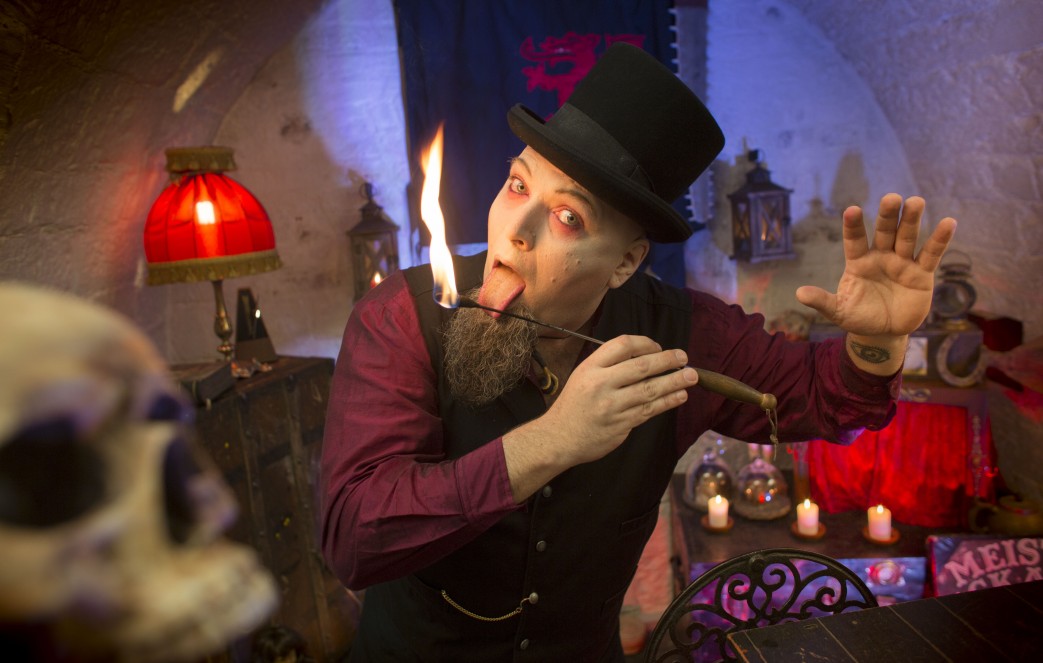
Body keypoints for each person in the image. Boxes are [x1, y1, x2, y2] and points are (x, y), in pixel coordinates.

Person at [320, 43, 955, 661]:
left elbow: (829, 400)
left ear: (625, 262)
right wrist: (550, 442)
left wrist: (877, 341)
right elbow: (352, 539)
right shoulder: (401, 317)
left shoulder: (685, 333)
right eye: (517, 185)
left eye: (568, 217)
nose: (515, 232)